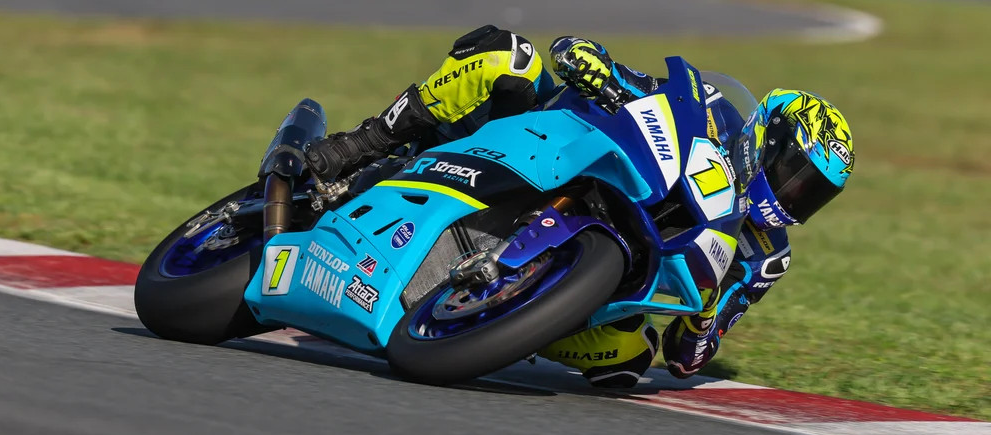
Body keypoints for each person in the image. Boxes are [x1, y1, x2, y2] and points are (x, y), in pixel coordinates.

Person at [304, 25, 856, 389]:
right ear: (769, 140)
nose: (794, 196)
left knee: (627, 359)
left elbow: (686, 357)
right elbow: (618, 76)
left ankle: (505, 316)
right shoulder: (714, 115)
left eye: (813, 195)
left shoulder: (765, 256)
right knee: (508, 54)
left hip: (610, 272)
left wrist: (706, 318)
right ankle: (365, 144)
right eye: (796, 176)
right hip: (552, 146)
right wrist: (598, 68)